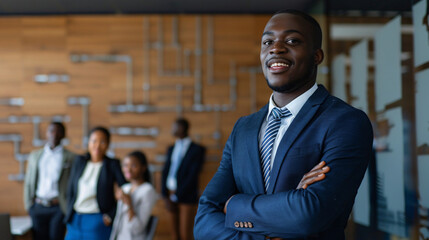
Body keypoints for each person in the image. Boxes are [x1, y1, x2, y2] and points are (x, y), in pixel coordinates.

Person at [194, 9, 373, 240]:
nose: (275, 48)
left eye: (292, 40)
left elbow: (308, 214)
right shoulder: (243, 128)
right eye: (267, 41)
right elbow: (203, 221)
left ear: (317, 56)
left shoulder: (345, 122)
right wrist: (284, 210)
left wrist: (233, 204)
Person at [64, 126, 126, 240]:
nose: (97, 145)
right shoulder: (79, 161)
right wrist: (68, 212)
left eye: (102, 142)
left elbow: (125, 189)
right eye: (94, 141)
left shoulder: (112, 164)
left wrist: (111, 216)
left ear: (108, 144)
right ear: (88, 142)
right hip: (75, 218)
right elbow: (70, 189)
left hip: (97, 220)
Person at [23, 122, 75, 240]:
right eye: (51, 131)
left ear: (63, 135)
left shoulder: (70, 157)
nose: (54, 134)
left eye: (58, 131)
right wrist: (29, 206)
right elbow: (28, 183)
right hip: (38, 206)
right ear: (47, 133)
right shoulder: (35, 156)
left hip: (58, 207)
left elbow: (73, 184)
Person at [161, 118, 206, 240]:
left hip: (186, 195)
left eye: (175, 127)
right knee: (174, 235)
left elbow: (192, 175)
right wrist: (165, 195)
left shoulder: (197, 149)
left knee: (185, 234)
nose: (173, 130)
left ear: (183, 128)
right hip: (170, 193)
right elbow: (166, 170)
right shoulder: (171, 148)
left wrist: (177, 195)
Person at [110, 150, 158, 240]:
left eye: (133, 165)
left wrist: (129, 204)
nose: (128, 169)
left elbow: (137, 229)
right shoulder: (125, 188)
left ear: (143, 168)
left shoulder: (148, 190)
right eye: (125, 165)